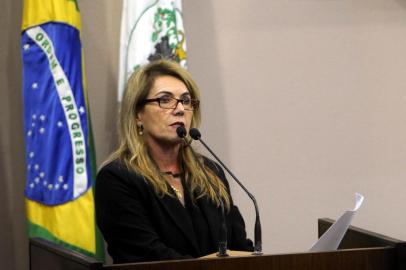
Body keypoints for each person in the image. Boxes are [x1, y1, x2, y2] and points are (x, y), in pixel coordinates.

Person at [95, 59, 253, 263]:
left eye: (186, 101)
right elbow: (147, 255)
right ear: (137, 114)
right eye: (165, 100)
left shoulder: (210, 172)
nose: (180, 109)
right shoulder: (117, 179)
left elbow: (239, 246)